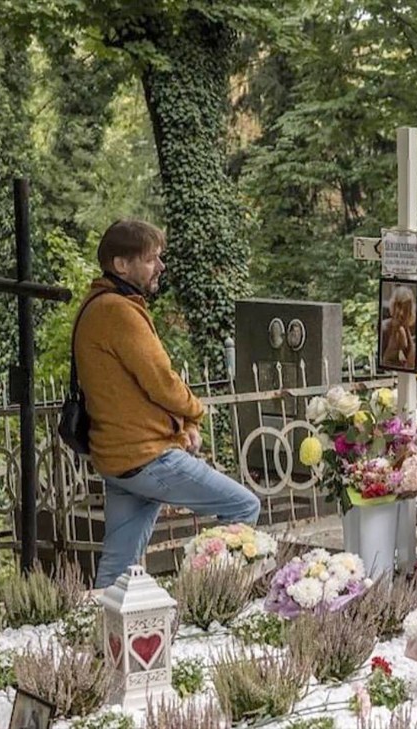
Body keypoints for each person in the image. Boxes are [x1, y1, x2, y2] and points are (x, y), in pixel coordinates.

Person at [74, 220, 260, 588]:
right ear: (121, 265)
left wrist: (183, 425)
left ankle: (100, 638)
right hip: (146, 455)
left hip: (118, 458)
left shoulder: (97, 306)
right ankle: (206, 597)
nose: (160, 266)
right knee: (243, 507)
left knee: (117, 568)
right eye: (151, 259)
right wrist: (195, 411)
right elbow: (161, 380)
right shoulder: (118, 312)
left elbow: (137, 388)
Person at [380, 284, 417, 370]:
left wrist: (405, 327)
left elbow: (411, 362)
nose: (401, 313)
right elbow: (385, 361)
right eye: (399, 306)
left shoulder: (408, 330)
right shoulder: (384, 328)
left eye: (406, 309)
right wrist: (394, 331)